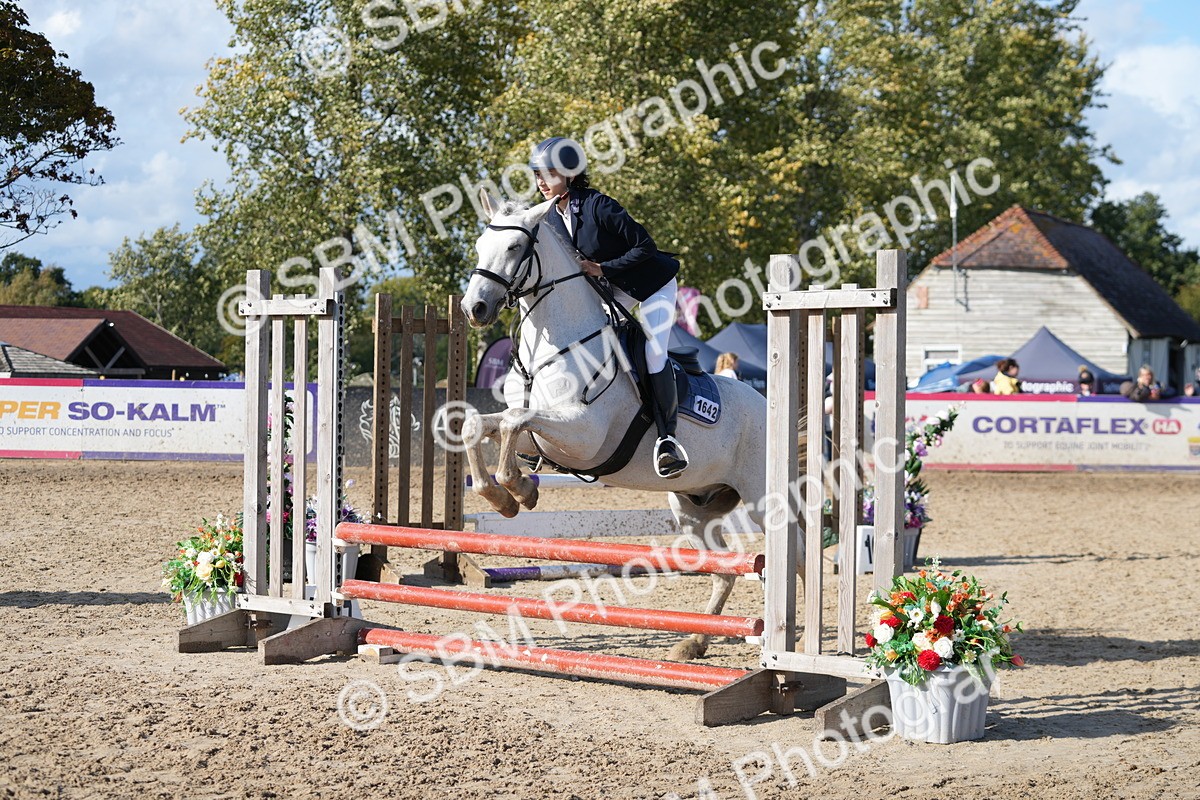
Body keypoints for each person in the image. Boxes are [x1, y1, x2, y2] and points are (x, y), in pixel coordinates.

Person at [530, 137, 688, 478]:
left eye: (549, 173)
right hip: (615, 288)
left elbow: (645, 245)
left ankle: (668, 440)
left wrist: (603, 269)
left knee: (654, 353)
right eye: (538, 174)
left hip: (652, 285)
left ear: (570, 174)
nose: (541, 182)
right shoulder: (552, 216)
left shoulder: (598, 205)